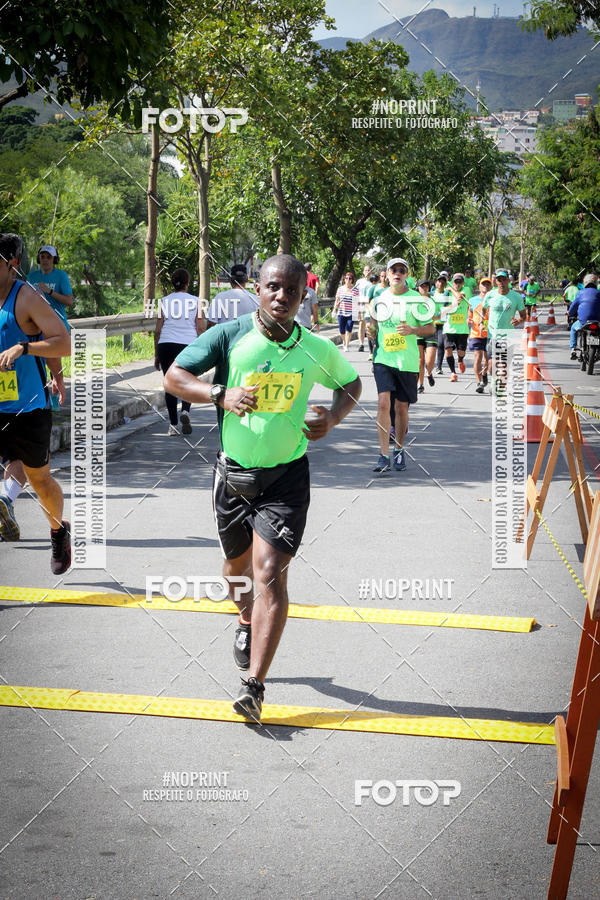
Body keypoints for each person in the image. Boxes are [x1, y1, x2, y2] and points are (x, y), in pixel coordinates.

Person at [164, 254, 361, 721]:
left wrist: (332, 417)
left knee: (269, 571)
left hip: (286, 477)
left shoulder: (314, 347)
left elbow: (350, 384)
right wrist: (220, 394)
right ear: (258, 287)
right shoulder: (230, 335)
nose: (281, 297)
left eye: (291, 291)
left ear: (302, 296)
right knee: (237, 572)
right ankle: (245, 620)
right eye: (273, 287)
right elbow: (174, 376)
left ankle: (253, 687)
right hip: (233, 476)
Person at [0, 233, 71, 570]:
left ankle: (58, 532)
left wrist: (25, 349)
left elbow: (62, 342)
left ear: (10, 263)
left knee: (40, 480)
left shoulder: (25, 297)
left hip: (28, 406)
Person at [368, 258, 434, 473]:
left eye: (402, 270)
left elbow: (430, 328)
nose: (397, 273)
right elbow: (374, 326)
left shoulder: (417, 299)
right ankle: (383, 455)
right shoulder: (379, 298)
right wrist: (371, 332)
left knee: (401, 407)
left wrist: (413, 330)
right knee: (383, 403)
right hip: (383, 359)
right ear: (386, 273)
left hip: (406, 360)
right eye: (393, 269)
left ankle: (399, 449)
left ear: (406, 274)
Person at [154, 268, 204, 435]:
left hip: (166, 344)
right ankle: (185, 411)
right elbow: (199, 327)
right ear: (188, 283)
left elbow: (158, 329)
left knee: (170, 384)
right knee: (188, 380)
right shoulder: (196, 301)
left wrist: (156, 354)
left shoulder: (164, 301)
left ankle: (173, 425)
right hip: (187, 345)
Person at [485, 268, 526, 385]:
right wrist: (482, 324)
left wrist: (519, 321)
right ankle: (494, 381)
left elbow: (524, 316)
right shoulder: (490, 295)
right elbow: (483, 310)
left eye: (504, 280)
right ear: (496, 282)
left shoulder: (516, 297)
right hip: (492, 335)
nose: (501, 283)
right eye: (499, 280)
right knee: (491, 366)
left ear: (508, 280)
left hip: (508, 335)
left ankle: (501, 391)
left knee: (504, 366)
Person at [27, 244, 74, 329]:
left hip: (58, 326)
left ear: (54, 260)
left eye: (49, 257)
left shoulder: (61, 276)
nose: (45, 260)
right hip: (37, 327)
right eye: (42, 257)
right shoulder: (31, 276)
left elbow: (69, 301)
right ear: (38, 259)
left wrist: (50, 291)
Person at [441, 274, 471, 382]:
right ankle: (453, 373)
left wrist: (451, 289)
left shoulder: (466, 289)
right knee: (448, 350)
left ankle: (460, 360)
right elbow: (443, 308)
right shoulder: (448, 293)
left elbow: (459, 297)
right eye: (455, 282)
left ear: (462, 283)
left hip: (462, 329)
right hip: (449, 328)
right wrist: (448, 291)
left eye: (459, 282)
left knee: (461, 351)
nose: (457, 284)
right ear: (453, 282)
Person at [468, 277, 492, 393]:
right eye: (483, 284)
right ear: (479, 286)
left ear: (491, 287)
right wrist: (469, 320)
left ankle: (485, 373)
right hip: (476, 333)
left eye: (488, 285)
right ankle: (479, 382)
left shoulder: (493, 300)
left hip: (490, 333)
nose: (486, 286)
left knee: (488, 360)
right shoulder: (472, 300)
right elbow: (469, 315)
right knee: (478, 357)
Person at [568, 273, 600, 359]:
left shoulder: (580, 293)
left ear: (585, 283)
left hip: (583, 322)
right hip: (598, 321)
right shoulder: (599, 293)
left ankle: (573, 349)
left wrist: (570, 314)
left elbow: (572, 308)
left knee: (573, 328)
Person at [416, 279, 437, 392]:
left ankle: (429, 373)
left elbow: (436, 316)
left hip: (430, 332)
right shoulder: (413, 301)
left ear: (429, 288)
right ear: (418, 288)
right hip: (418, 333)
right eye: (421, 286)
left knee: (429, 362)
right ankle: (421, 384)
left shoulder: (432, 301)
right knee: (420, 361)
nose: (424, 288)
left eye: (426, 286)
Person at [332, 271, 357, 352]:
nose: (348, 280)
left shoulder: (355, 290)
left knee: (349, 329)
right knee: (341, 330)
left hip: (351, 313)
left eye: (350, 278)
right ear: (344, 279)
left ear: (352, 280)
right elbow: (337, 300)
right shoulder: (340, 289)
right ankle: (344, 341)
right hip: (341, 312)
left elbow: (357, 302)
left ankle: (346, 345)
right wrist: (334, 310)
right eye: (346, 278)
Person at [432, 274, 450, 374]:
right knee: (430, 345)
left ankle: (438, 366)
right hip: (432, 323)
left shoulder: (447, 294)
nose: (441, 283)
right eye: (439, 281)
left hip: (442, 323)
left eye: (443, 282)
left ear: (445, 284)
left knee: (440, 344)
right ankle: (429, 363)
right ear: (436, 283)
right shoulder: (431, 294)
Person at [354, 264, 373, 352]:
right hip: (361, 306)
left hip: (370, 306)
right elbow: (355, 294)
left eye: (369, 270)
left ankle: (371, 344)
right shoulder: (359, 282)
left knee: (369, 326)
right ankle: (361, 344)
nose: (367, 272)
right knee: (361, 324)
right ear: (363, 272)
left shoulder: (373, 282)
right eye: (365, 270)